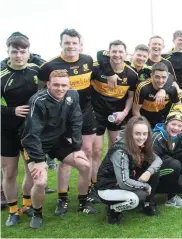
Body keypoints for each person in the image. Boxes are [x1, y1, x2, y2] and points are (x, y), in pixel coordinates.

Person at [38, 29, 113, 216]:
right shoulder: (50, 66)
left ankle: (85, 195)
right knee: (66, 158)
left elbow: (104, 58)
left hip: (86, 114)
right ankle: (62, 198)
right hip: (62, 117)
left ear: (80, 44)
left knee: (86, 153)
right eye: (67, 43)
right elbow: (40, 92)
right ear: (61, 44)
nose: (70, 46)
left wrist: (111, 73)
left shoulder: (88, 60)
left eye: (74, 43)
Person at [21, 70, 98, 229]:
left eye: (64, 85)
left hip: (57, 141)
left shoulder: (73, 95)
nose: (60, 88)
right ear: (48, 84)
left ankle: (82, 204)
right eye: (56, 85)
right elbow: (31, 134)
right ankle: (37, 214)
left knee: (85, 165)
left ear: (69, 85)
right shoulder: (37, 101)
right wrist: (39, 160)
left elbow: (76, 121)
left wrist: (77, 148)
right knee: (41, 181)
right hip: (35, 144)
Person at [90, 40, 139, 203]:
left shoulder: (131, 74)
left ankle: (110, 181)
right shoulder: (97, 67)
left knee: (115, 150)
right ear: (108, 52)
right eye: (114, 51)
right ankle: (94, 186)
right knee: (96, 151)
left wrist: (125, 112)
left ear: (126, 54)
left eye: (120, 52)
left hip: (117, 115)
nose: (117, 55)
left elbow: (131, 97)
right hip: (96, 113)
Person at [1, 36, 39, 226]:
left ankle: (27, 204)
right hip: (6, 131)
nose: (18, 55)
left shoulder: (35, 71)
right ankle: (13, 211)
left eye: (22, 52)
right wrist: (11, 111)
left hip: (29, 132)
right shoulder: (1, 75)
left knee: (31, 172)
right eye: (14, 51)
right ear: (8, 52)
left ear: (28, 52)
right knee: (9, 173)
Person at [96, 116, 162, 224]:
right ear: (130, 133)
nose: (141, 137)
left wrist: (148, 172)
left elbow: (158, 160)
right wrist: (145, 186)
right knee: (135, 199)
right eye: (137, 133)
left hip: (123, 181)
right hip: (108, 188)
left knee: (154, 171)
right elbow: (124, 182)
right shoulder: (120, 151)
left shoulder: (141, 144)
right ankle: (112, 209)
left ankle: (148, 204)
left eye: (144, 134)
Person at [133, 62, 181, 128]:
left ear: (167, 77)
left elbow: (178, 105)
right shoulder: (143, 88)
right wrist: (141, 125)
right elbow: (135, 110)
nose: (160, 80)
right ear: (151, 76)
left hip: (163, 120)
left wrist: (173, 120)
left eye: (164, 77)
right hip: (145, 120)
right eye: (157, 77)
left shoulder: (172, 89)